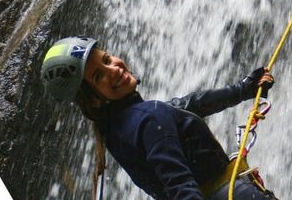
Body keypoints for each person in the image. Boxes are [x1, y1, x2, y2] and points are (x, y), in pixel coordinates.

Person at [41, 36, 277, 199]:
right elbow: (181, 186)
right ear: (93, 99)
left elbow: (188, 105)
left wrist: (243, 89)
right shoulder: (148, 118)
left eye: (106, 59)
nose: (113, 68)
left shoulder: (119, 129)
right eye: (99, 75)